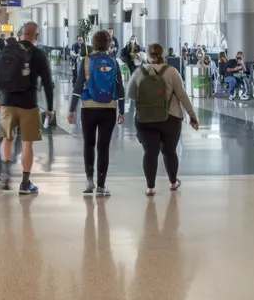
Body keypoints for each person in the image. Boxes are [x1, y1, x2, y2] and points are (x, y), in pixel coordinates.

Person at [0, 22, 53, 195]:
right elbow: (47, 83)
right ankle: (25, 183)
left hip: (7, 102)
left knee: (7, 138)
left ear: (20, 33)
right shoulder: (38, 54)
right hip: (28, 105)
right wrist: (50, 108)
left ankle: (5, 173)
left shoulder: (8, 49)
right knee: (27, 144)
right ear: (36, 36)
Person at [126, 43, 199, 196]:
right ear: (163, 54)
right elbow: (182, 95)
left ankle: (150, 188)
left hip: (145, 119)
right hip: (170, 118)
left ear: (148, 55)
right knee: (169, 151)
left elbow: (131, 94)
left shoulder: (139, 72)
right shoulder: (172, 72)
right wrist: (192, 115)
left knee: (150, 152)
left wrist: (147, 101)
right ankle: (173, 182)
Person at [68, 30, 124, 196]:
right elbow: (120, 88)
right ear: (108, 44)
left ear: (93, 43)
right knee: (103, 146)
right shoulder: (113, 61)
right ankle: (101, 185)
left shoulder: (86, 61)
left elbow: (78, 87)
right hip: (109, 109)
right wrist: (121, 109)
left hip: (88, 108)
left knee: (89, 144)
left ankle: (89, 180)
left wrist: (71, 109)